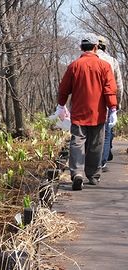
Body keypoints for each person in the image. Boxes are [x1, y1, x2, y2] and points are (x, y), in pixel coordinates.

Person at [55, 33, 117, 191]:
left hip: (79, 112)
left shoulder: (74, 66)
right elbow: (110, 90)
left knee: (77, 142)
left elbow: (63, 89)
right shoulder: (105, 66)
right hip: (98, 113)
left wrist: (61, 105)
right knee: (96, 144)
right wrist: (113, 108)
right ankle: (93, 175)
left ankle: (77, 173)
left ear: (81, 48)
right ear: (96, 47)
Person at [97, 36, 124, 172]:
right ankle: (102, 162)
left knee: (89, 133)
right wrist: (117, 103)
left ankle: (90, 161)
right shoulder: (112, 61)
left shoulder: (85, 60)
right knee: (107, 133)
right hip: (108, 101)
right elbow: (119, 85)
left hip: (89, 103)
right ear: (105, 47)